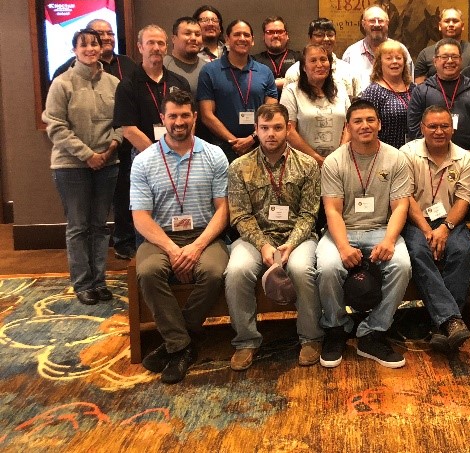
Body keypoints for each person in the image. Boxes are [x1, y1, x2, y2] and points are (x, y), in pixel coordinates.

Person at [130, 89, 230, 383]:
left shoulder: (214, 155)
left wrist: (197, 247)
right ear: (162, 118)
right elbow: (140, 217)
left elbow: (223, 210)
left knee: (213, 271)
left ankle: (176, 340)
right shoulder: (144, 161)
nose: (179, 121)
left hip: (205, 233)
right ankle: (182, 345)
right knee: (147, 271)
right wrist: (173, 250)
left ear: (194, 118)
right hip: (160, 236)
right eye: (172, 115)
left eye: (185, 115)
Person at [225, 103, 323, 370]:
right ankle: (246, 341)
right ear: (255, 130)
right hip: (255, 238)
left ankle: (311, 336)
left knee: (303, 269)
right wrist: (264, 245)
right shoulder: (238, 167)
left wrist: (290, 244)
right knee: (236, 271)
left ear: (288, 128)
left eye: (278, 127)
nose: (271, 134)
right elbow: (241, 216)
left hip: (298, 237)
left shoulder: (307, 165)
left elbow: (309, 214)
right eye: (265, 128)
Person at [316, 99, 413, 368]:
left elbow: (401, 206)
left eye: (370, 120)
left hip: (381, 229)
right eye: (357, 121)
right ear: (348, 127)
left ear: (380, 124)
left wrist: (390, 240)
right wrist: (344, 247)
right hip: (343, 230)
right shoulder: (334, 161)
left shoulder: (396, 158)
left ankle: (373, 332)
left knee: (402, 265)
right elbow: (332, 211)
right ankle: (336, 328)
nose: (365, 126)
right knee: (327, 267)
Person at [44, 28, 123, 305]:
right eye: (84, 45)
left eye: (95, 44)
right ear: (74, 50)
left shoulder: (113, 83)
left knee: (100, 226)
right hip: (71, 166)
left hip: (108, 162)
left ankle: (99, 280)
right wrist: (87, 154)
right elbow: (55, 126)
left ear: (102, 48)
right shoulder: (62, 83)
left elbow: (122, 123)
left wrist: (111, 147)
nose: (91, 49)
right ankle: (82, 283)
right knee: (78, 226)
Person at [400, 106, 470, 351]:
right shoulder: (407, 153)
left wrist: (445, 228)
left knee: (463, 252)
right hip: (416, 220)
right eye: (432, 126)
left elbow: (464, 199)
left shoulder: (465, 158)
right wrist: (425, 229)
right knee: (418, 252)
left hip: (451, 221)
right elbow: (406, 196)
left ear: (452, 129)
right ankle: (451, 321)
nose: (439, 131)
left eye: (444, 126)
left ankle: (440, 324)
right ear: (422, 128)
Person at [198, 19, 278, 161]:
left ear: (252, 40)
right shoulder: (209, 71)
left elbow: (271, 113)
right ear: (227, 39)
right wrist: (234, 142)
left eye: (246, 35)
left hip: (259, 147)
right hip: (222, 149)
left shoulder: (265, 72)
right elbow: (206, 115)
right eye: (237, 34)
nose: (242, 38)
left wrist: (251, 139)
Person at [114, 25, 192, 157]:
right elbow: (128, 130)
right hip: (144, 154)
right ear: (140, 47)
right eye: (150, 43)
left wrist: (180, 149)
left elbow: (190, 119)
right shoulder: (127, 85)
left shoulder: (180, 82)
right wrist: (159, 156)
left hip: (179, 152)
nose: (156, 48)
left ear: (166, 48)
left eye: (160, 43)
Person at [406, 39, 470, 154]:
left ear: (461, 60)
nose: (450, 61)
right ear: (435, 61)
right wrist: (427, 151)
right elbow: (413, 125)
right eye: (445, 57)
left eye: (454, 57)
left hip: (468, 158)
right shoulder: (422, 91)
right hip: (430, 158)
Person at [281, 43, 350, 166]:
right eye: (313, 60)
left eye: (323, 59)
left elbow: (349, 125)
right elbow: (289, 130)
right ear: (303, 67)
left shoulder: (340, 88)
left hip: (339, 162)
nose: (319, 65)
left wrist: (339, 155)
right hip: (303, 162)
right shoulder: (292, 91)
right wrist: (316, 158)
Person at [284, 18, 362, 98]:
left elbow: (358, 103)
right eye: (319, 35)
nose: (326, 39)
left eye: (330, 35)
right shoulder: (295, 72)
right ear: (310, 38)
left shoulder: (349, 71)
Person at [341, 5, 414, 90]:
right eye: (372, 21)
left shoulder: (401, 50)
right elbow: (345, 89)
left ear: (387, 23)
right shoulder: (351, 53)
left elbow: (409, 84)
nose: (376, 24)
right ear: (363, 24)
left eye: (380, 21)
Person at [358, 39, 414, 148]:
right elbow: (367, 126)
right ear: (380, 63)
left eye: (398, 58)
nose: (394, 61)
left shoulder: (414, 89)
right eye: (389, 58)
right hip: (385, 154)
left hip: (413, 154)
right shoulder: (373, 92)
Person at [52, 18, 136, 81]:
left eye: (110, 34)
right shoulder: (67, 69)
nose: (107, 38)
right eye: (100, 34)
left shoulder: (128, 63)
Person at [413, 8, 470, 84]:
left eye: (455, 21)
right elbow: (419, 84)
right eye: (447, 21)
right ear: (440, 26)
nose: (451, 24)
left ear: (462, 26)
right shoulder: (425, 54)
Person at [253, 16, 300, 96]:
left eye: (279, 31)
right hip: (265, 107)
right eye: (270, 32)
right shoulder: (254, 61)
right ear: (263, 36)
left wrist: (270, 84)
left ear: (287, 35)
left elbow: (306, 81)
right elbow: (253, 85)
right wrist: (288, 82)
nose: (275, 35)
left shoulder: (299, 58)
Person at [163, 17, 205, 97]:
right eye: (187, 33)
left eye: (197, 34)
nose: (193, 38)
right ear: (174, 39)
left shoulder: (207, 68)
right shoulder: (163, 65)